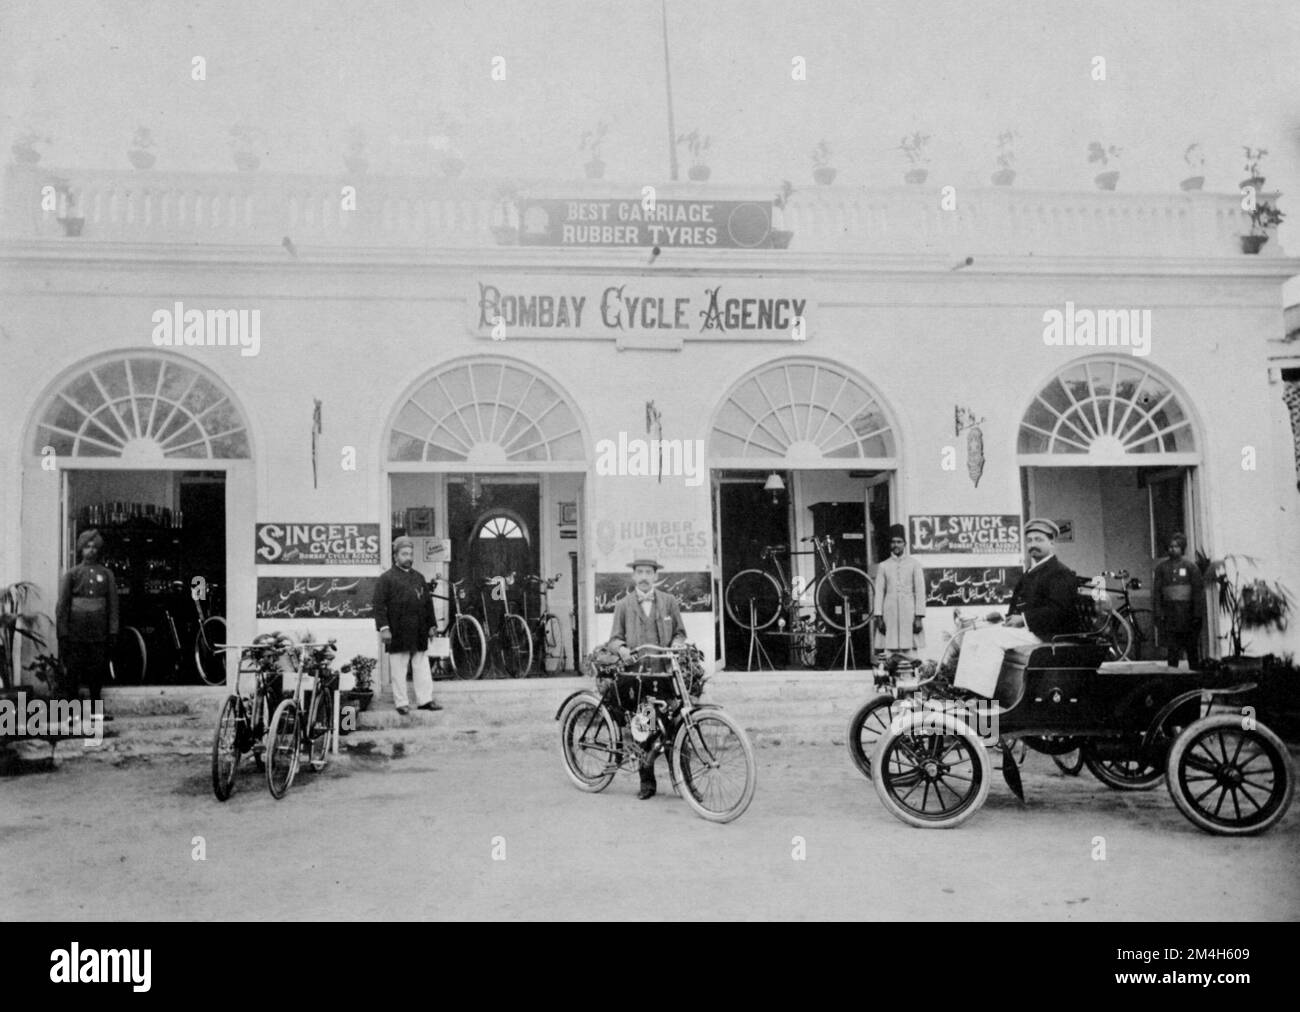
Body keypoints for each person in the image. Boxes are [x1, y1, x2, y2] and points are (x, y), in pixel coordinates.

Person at [952, 518, 1080, 697]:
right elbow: (1019, 605)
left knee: (991, 640)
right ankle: (964, 691)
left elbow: (1058, 611)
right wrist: (1006, 618)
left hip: (1047, 633)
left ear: (1052, 542)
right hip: (1030, 630)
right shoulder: (1031, 572)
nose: (1033, 544)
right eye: (1029, 540)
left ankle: (982, 697)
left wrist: (1023, 619)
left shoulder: (1060, 572)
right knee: (973, 635)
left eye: (1039, 540)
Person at [604, 558, 687, 799]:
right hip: (638, 677)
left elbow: (680, 632)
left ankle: (685, 783)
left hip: (665, 676)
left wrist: (677, 644)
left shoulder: (669, 602)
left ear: (655, 576)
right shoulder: (623, 605)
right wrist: (621, 650)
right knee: (644, 730)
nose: (643, 576)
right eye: (639, 572)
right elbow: (614, 638)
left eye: (648, 572)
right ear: (633, 577)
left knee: (677, 729)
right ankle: (647, 785)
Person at [372, 536, 442, 715]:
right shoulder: (386, 579)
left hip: (419, 629)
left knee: (422, 665)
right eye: (404, 554)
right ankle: (401, 702)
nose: (408, 557)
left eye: (410, 554)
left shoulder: (419, 577)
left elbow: (427, 604)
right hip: (397, 630)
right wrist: (384, 628)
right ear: (395, 556)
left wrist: (431, 625)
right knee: (398, 667)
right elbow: (379, 606)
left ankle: (425, 700)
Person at [55, 529, 118, 719]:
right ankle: (72, 713)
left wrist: (113, 631)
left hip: (99, 630)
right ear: (81, 550)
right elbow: (62, 606)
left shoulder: (106, 574)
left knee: (97, 672)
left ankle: (96, 712)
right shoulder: (72, 574)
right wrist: (63, 632)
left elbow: (113, 605)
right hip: (76, 630)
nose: (90, 551)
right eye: (87, 547)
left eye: (94, 547)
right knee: (73, 671)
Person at [873, 524, 926, 663]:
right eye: (893, 542)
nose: (896, 545)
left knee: (910, 654)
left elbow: (920, 591)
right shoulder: (883, 566)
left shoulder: (914, 564)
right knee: (888, 655)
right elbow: (879, 593)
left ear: (905, 544)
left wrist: (919, 617)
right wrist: (879, 618)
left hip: (909, 615)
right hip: (889, 615)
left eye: (899, 542)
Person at [1153, 532, 1204, 668]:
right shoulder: (1161, 568)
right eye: (1170, 546)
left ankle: (1194, 674)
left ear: (1182, 548)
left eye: (1176, 546)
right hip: (1170, 615)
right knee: (1172, 650)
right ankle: (1173, 676)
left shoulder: (1191, 567)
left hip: (1188, 614)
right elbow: (1157, 593)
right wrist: (1158, 613)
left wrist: (1197, 614)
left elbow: (1198, 592)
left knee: (1191, 648)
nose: (1172, 549)